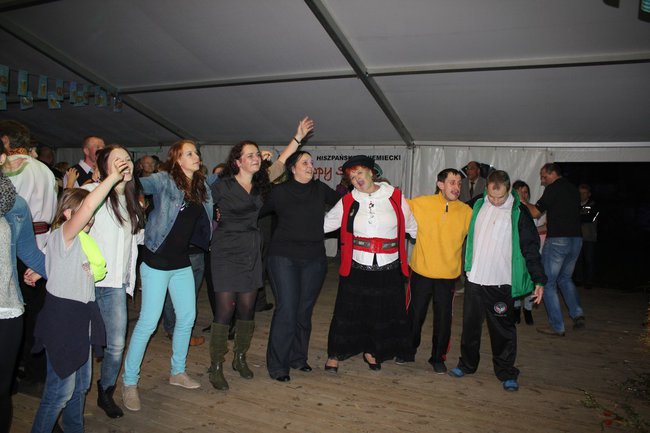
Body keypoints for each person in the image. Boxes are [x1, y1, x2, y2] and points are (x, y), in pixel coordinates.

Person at [208, 117, 313, 391]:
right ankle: (216, 364)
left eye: (257, 154)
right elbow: (200, 198)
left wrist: (298, 137)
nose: (256, 158)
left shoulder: (262, 184)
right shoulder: (221, 185)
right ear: (238, 162)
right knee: (224, 310)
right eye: (250, 155)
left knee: (247, 309)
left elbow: (283, 161)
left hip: (252, 249)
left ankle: (240, 358)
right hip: (226, 249)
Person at [30, 157, 129, 433]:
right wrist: (111, 177)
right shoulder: (64, 235)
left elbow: (61, 267)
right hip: (63, 321)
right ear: (67, 214)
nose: (91, 215)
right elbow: (86, 207)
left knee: (80, 387)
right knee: (59, 391)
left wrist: (40, 270)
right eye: (86, 211)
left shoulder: (81, 242)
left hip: (81, 319)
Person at [122, 140, 213, 411]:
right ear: (177, 160)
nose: (196, 156)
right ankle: (129, 383)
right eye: (189, 153)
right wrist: (125, 171)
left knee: (187, 318)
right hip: (156, 261)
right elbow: (139, 184)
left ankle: (177, 372)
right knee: (148, 323)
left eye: (196, 152)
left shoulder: (202, 186)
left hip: (182, 262)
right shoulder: (163, 180)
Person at [447, 170, 546, 392]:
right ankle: (467, 364)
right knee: (470, 327)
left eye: (500, 197)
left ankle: (506, 372)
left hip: (501, 282)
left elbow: (530, 247)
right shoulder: (477, 204)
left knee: (503, 330)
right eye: (491, 196)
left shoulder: (518, 212)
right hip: (475, 279)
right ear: (486, 189)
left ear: (509, 190)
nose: (495, 201)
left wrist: (539, 279)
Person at [322, 155, 417, 373]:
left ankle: (372, 351)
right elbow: (325, 225)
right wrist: (297, 225)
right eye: (351, 177)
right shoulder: (348, 201)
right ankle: (335, 353)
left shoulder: (395, 197)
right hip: (357, 264)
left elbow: (413, 227)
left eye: (359, 172)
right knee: (347, 310)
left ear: (372, 172)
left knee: (380, 311)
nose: (356, 178)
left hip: (389, 266)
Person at [261, 150, 340, 381]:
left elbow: (345, 204)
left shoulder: (320, 189)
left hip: (314, 258)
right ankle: (278, 365)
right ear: (293, 168)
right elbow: (254, 205)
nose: (310, 165)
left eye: (311, 162)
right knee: (287, 309)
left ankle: (298, 358)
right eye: (304, 162)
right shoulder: (279, 192)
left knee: (304, 311)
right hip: (283, 257)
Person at [81, 145, 145, 419]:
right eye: (118, 160)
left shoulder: (132, 202)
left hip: (115, 285)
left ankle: (105, 391)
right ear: (104, 167)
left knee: (116, 345)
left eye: (128, 159)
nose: (125, 163)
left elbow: (137, 242)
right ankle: (72, 399)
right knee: (81, 346)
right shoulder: (89, 192)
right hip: (84, 284)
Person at [1, 120, 57, 395]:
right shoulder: (44, 169)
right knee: (36, 314)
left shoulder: (13, 171)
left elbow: (12, 216)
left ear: (5, 143)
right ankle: (34, 372)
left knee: (21, 314)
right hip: (44, 242)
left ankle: (16, 371)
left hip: (18, 249)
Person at [399, 168, 473, 373]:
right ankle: (407, 351)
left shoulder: (466, 212)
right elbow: (397, 207)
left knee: (443, 318)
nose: (456, 187)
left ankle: (438, 357)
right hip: (421, 272)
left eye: (459, 184)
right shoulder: (422, 203)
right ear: (440, 184)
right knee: (414, 314)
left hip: (447, 277)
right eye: (452, 182)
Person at [0, 142, 47, 433]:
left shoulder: (15, 205)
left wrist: (66, 270)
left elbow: (29, 253)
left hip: (6, 308)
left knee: (1, 391)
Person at [525, 163, 584, 336]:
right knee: (565, 278)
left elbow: (535, 212)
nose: (542, 181)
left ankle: (557, 326)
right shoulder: (573, 189)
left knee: (547, 282)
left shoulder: (553, 188)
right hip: (576, 239)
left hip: (558, 240)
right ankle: (578, 314)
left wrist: (522, 201)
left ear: (552, 173)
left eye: (544, 177)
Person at [511, 180, 537, 325]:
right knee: (517, 279)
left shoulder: (533, 209)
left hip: (530, 249)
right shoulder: (511, 209)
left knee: (530, 280)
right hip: (516, 250)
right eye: (519, 192)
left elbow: (541, 226)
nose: (523, 195)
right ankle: (515, 309)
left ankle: (528, 309)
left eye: (525, 192)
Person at [575, 183, 598, 290]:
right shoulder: (575, 204)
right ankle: (578, 280)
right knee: (577, 260)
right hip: (576, 237)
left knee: (589, 260)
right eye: (580, 193)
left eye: (584, 193)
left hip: (589, 237)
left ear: (589, 194)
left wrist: (577, 217)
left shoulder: (593, 205)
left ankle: (589, 281)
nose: (582, 195)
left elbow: (590, 218)